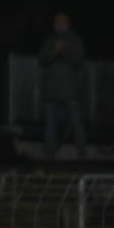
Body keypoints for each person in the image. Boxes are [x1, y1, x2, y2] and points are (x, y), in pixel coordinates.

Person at [38, 12, 86, 161]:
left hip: (70, 91)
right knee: (50, 126)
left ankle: (82, 156)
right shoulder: (49, 41)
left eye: (62, 23)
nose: (59, 25)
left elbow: (78, 60)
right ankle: (49, 157)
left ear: (68, 24)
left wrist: (63, 51)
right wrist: (54, 51)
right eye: (57, 23)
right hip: (51, 91)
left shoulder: (75, 41)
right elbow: (42, 59)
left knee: (76, 124)